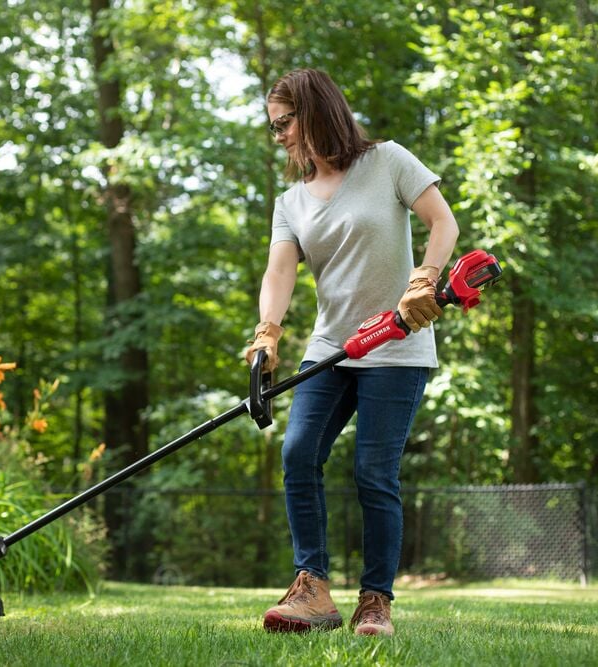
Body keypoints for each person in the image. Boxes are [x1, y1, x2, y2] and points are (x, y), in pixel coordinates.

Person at [244, 69, 459, 637]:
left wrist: (424, 279)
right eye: (273, 128)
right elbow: (279, 271)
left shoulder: (387, 161)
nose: (279, 136)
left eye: (284, 124)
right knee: (298, 452)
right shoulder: (290, 201)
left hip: (396, 343)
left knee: (374, 472)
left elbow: (443, 222)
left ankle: (375, 601)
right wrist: (268, 332)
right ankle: (312, 589)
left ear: (314, 110)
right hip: (332, 347)